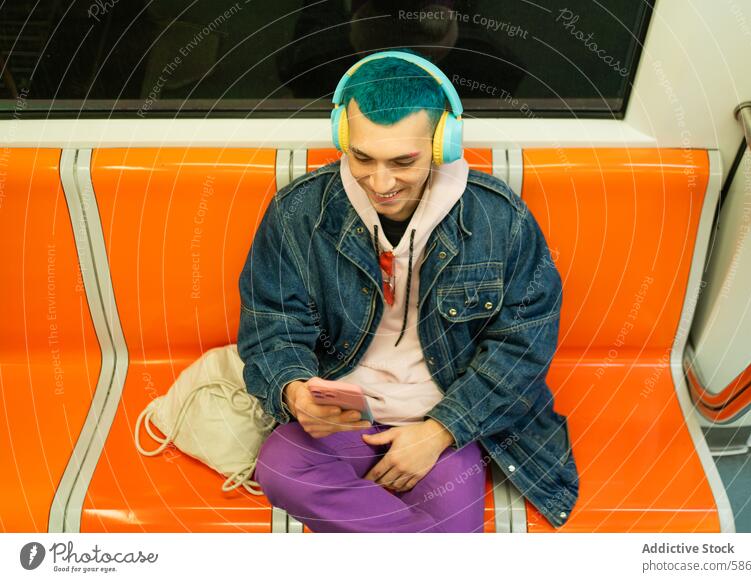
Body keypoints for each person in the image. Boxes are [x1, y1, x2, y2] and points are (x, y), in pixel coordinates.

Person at [237, 49, 578, 533]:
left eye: (403, 161)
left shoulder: (501, 220)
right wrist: (294, 393)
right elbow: (272, 322)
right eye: (362, 157)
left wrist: (440, 431)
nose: (381, 182)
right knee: (281, 469)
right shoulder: (298, 213)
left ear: (443, 144)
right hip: (346, 420)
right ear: (342, 137)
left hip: (442, 419)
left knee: (452, 522)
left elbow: (524, 345)